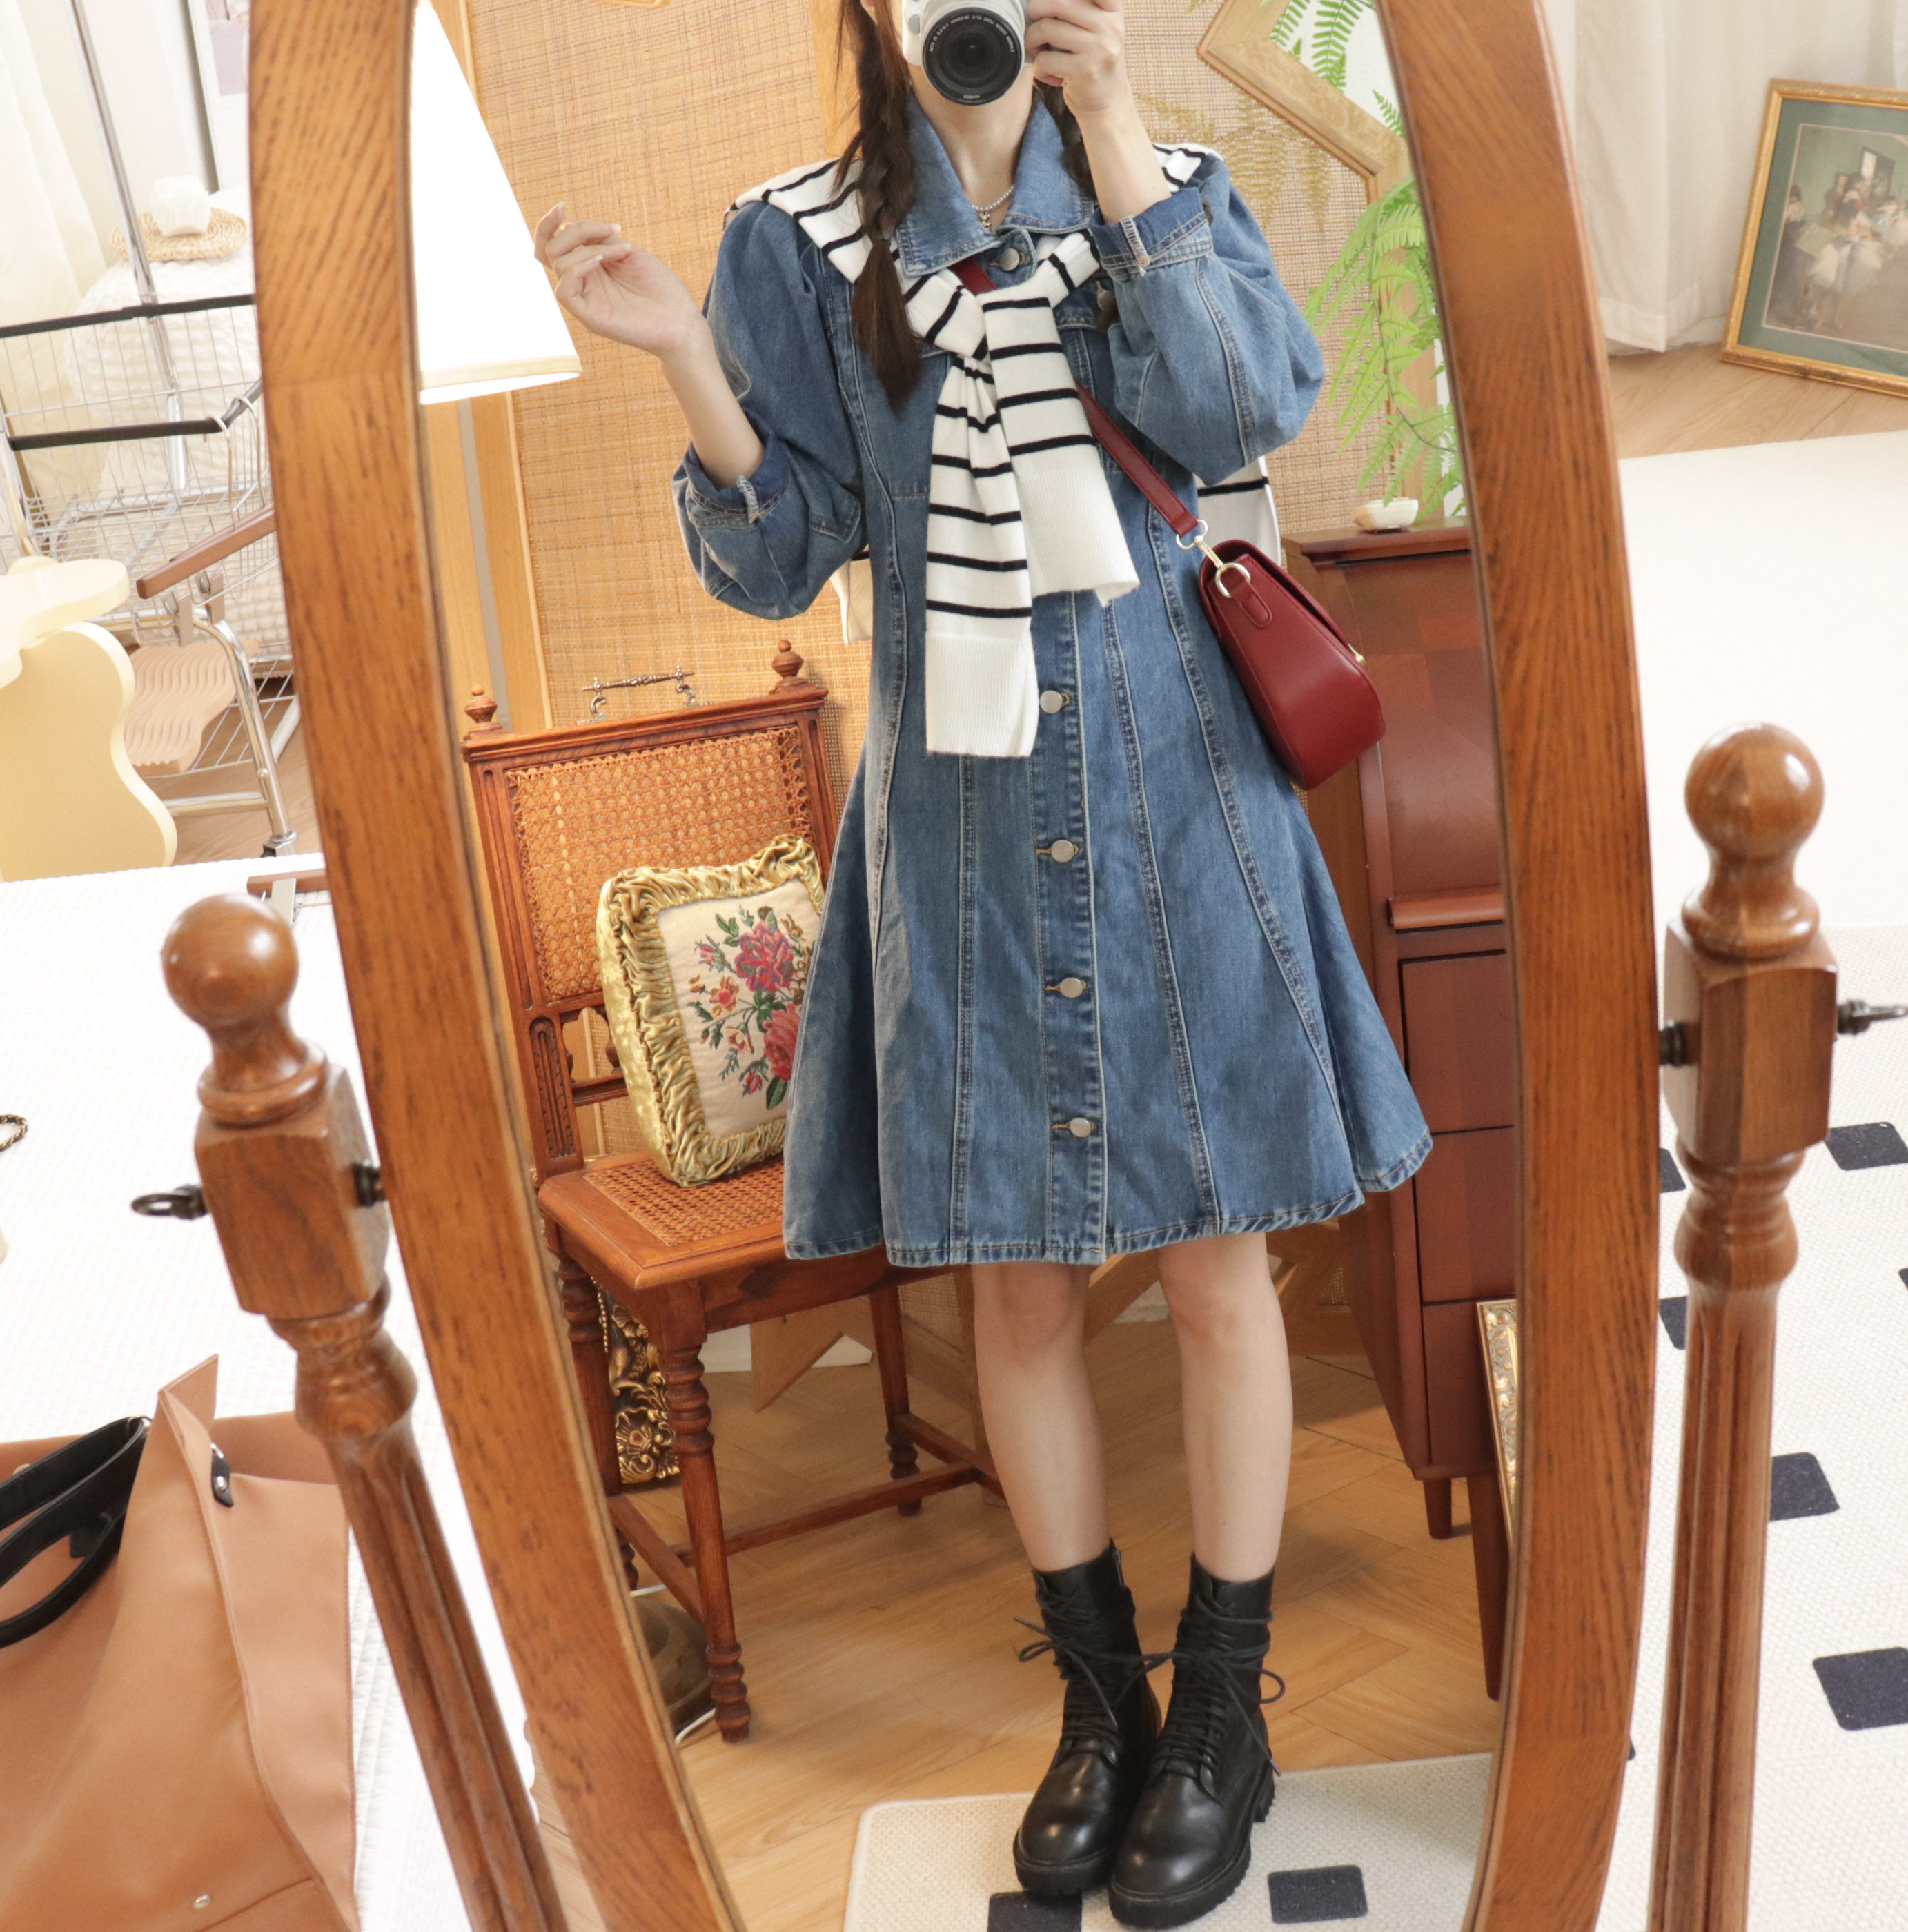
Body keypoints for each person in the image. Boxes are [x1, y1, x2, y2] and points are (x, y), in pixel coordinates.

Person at [536, 0, 1428, 1919]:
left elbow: (1240, 410)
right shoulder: (794, 238)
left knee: (1219, 1267)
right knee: (1015, 1292)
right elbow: (784, 554)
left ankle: (1225, 1713)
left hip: (1179, 792)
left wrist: (1119, 140)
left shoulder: (1170, 187)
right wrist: (685, 353)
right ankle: (1101, 1703)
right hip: (957, 827)